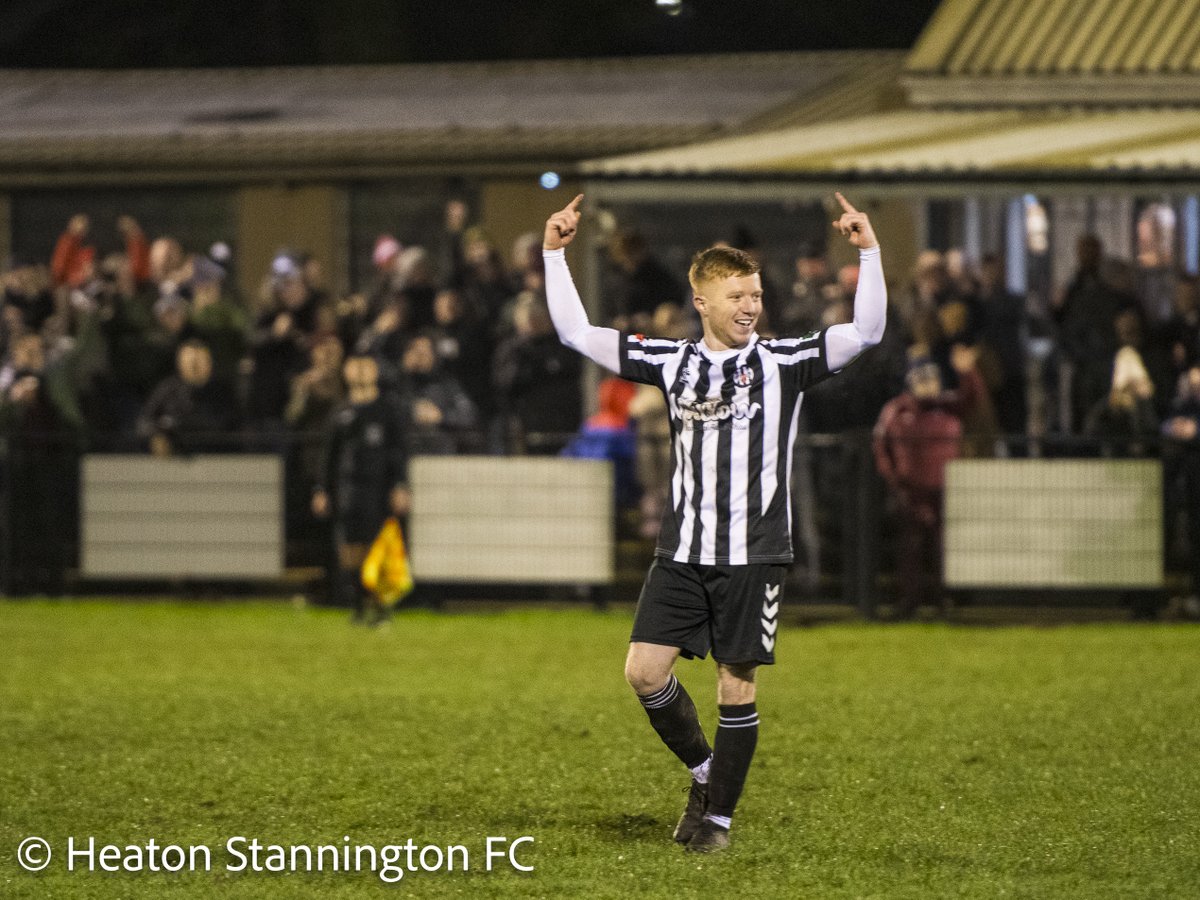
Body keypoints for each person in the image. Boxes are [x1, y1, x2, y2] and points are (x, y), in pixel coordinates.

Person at [542, 192, 886, 852]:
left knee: (736, 682)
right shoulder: (674, 362)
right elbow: (577, 335)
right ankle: (709, 773)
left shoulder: (782, 363)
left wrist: (867, 249)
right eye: (735, 297)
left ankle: (717, 823)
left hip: (754, 550)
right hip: (684, 548)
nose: (750, 307)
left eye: (754, 294)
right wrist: (555, 254)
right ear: (702, 303)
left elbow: (865, 333)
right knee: (643, 672)